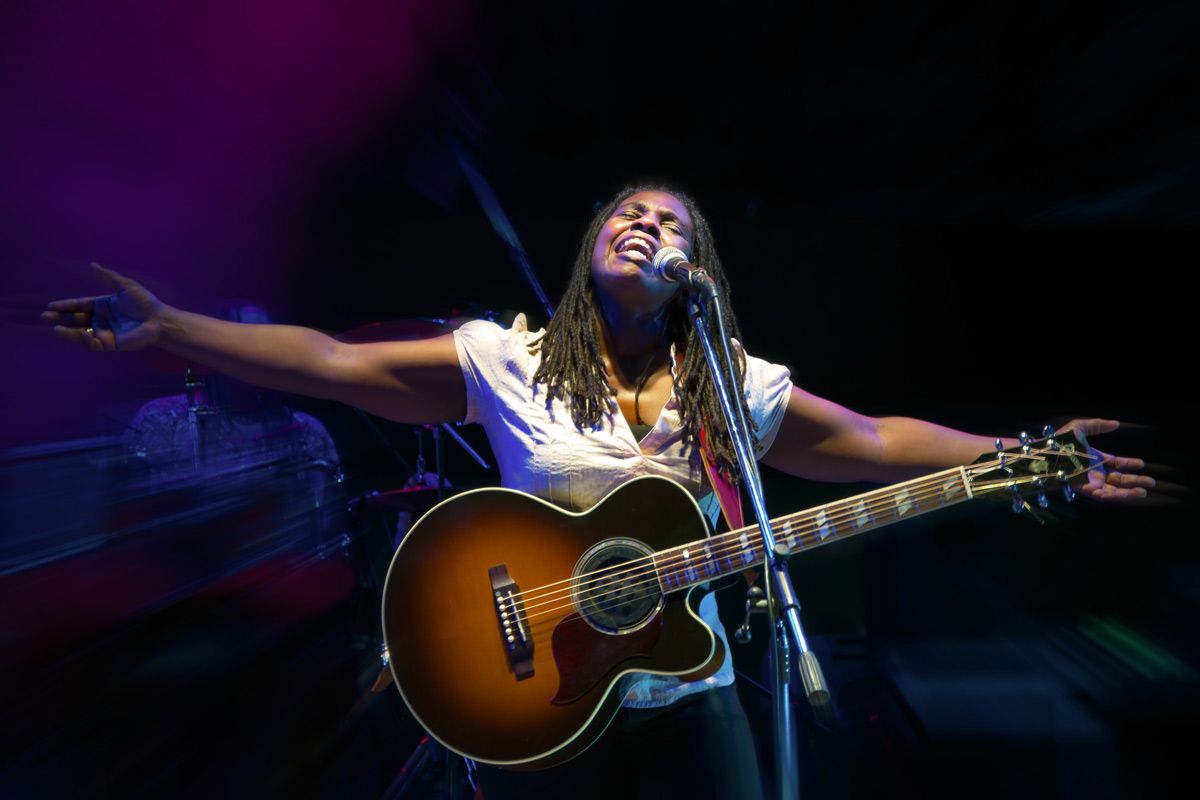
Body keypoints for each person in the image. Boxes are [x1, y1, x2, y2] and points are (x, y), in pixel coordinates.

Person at [43, 185, 1152, 798]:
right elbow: (328, 362)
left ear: (697, 263)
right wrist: (174, 327)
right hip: (541, 707)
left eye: (673, 223)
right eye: (628, 215)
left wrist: (1020, 452)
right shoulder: (506, 360)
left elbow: (866, 438)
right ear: (589, 255)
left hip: (689, 694)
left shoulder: (732, 384)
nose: (648, 226)